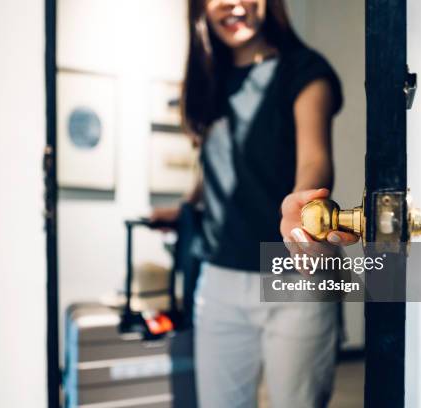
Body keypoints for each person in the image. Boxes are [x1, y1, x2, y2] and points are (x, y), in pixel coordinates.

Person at [152, 0, 355, 406]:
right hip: (221, 276)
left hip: (293, 269)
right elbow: (219, 161)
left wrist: (301, 206)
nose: (231, 3)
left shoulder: (304, 70)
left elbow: (314, 157)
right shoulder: (211, 79)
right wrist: (187, 205)